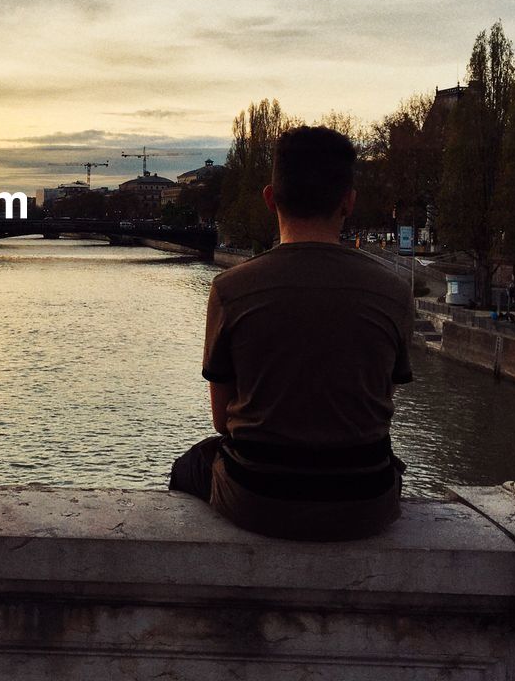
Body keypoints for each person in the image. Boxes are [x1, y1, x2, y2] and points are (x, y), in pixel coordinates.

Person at [168, 126, 413, 541]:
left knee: (188, 466)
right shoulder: (395, 291)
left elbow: (221, 420)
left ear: (270, 198)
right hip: (367, 499)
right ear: (348, 201)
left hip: (257, 497)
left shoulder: (231, 288)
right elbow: (381, 401)